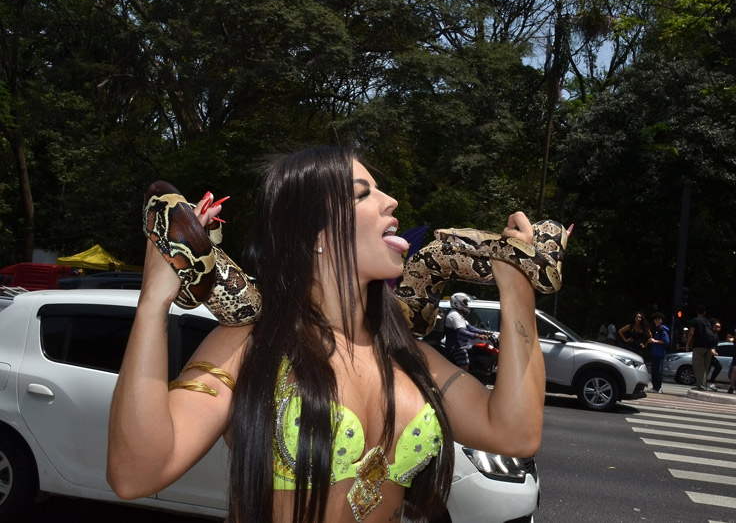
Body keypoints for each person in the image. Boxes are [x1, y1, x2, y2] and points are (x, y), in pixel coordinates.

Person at [106, 146, 546, 523]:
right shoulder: (251, 343)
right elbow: (135, 474)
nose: (391, 202)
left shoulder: (406, 354)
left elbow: (515, 433)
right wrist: (152, 304)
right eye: (363, 194)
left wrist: (517, 289)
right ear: (311, 232)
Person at [444, 292, 491, 371]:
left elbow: (470, 328)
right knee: (464, 367)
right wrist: (478, 336)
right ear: (457, 302)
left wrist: (483, 332)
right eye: (465, 302)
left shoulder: (459, 315)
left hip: (462, 344)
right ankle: (461, 381)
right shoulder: (454, 315)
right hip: (457, 346)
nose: (467, 305)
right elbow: (461, 331)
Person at [686, 305, 715, 391]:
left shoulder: (695, 321)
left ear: (696, 312)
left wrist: (688, 343)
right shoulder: (708, 321)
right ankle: (704, 385)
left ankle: (701, 386)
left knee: (698, 366)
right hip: (709, 346)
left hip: (698, 345)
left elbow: (691, 332)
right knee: (705, 367)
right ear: (704, 313)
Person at [647, 312, 670, 393]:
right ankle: (655, 387)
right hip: (655, 352)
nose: (658, 321)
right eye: (656, 320)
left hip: (659, 353)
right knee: (654, 371)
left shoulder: (662, 329)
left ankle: (657, 387)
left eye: (659, 319)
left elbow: (666, 341)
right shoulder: (656, 329)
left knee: (658, 371)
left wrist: (654, 341)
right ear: (654, 321)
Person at [707, 319, 724, 388]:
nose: (718, 329)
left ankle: (710, 381)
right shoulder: (709, 333)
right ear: (712, 326)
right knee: (710, 368)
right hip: (708, 353)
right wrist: (711, 350)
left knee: (717, 367)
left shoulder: (716, 334)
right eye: (716, 327)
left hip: (712, 355)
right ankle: (705, 382)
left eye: (719, 327)